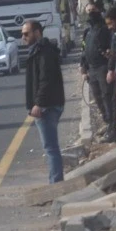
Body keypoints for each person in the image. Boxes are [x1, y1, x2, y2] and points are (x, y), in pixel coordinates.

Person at [22, 19, 67, 183]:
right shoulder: (39, 50)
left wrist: (39, 104)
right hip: (49, 104)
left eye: (26, 34)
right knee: (50, 147)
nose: (23, 38)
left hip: (47, 106)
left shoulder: (44, 52)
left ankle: (56, 185)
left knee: (51, 148)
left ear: (37, 32)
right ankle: (55, 182)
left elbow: (45, 80)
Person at [79, 4, 116, 142]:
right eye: (88, 10)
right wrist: (83, 67)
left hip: (102, 67)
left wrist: (110, 68)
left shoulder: (105, 30)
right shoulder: (88, 31)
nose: (90, 13)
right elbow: (84, 50)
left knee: (107, 97)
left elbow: (111, 49)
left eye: (93, 10)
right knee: (98, 97)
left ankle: (114, 128)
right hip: (91, 68)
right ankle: (107, 122)